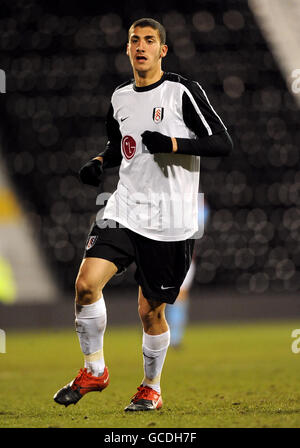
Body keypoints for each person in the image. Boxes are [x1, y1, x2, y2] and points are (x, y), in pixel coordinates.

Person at [53, 17, 232, 412]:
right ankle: (94, 369)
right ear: (127, 48)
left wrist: (171, 142)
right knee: (85, 284)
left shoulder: (182, 91)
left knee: (150, 312)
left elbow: (222, 142)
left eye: (149, 40)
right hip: (124, 205)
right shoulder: (119, 97)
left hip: (170, 218)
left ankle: (151, 387)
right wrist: (101, 160)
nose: (141, 46)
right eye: (134, 40)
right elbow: (121, 144)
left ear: (162, 50)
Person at [166, 200, 210, 348]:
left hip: (184, 255)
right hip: (166, 253)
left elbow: (198, 225)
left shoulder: (196, 200)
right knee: (159, 294)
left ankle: (174, 338)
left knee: (180, 295)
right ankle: (158, 332)